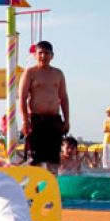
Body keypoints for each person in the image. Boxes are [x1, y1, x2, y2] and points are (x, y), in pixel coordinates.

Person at [17, 40, 70, 175]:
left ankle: (53, 189)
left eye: (46, 53)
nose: (43, 56)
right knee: (36, 159)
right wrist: (25, 121)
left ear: (52, 55)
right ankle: (35, 192)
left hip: (54, 120)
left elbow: (63, 97)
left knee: (53, 159)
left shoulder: (58, 74)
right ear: (35, 55)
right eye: (40, 53)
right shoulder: (30, 72)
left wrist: (67, 119)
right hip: (36, 120)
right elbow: (22, 98)